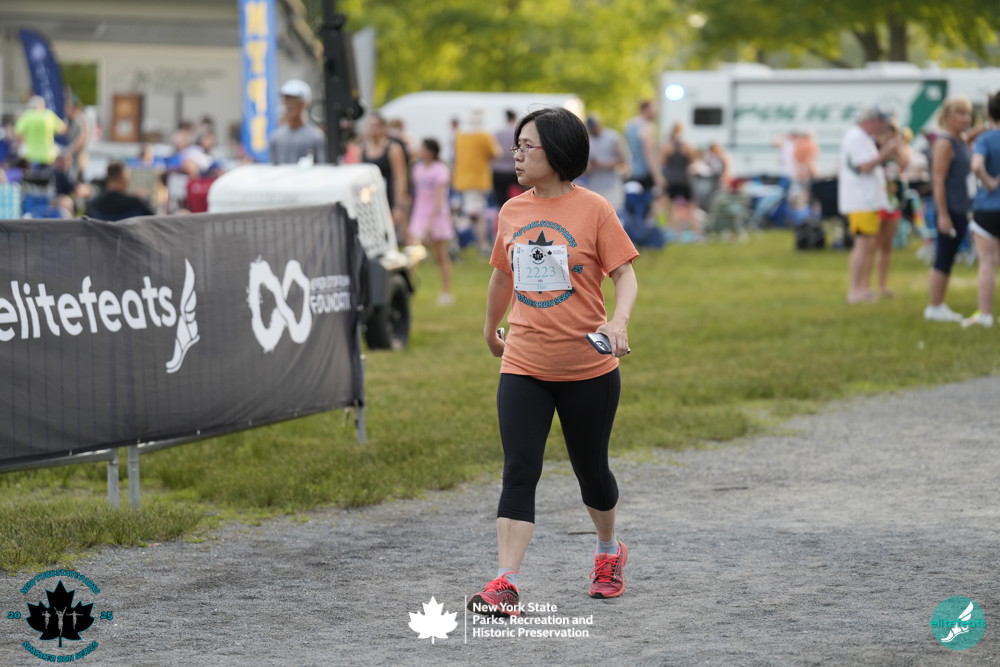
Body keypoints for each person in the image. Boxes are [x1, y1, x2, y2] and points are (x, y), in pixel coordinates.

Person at [471, 107, 639, 617]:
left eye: (528, 146)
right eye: (516, 145)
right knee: (519, 470)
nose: (516, 155)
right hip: (524, 362)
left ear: (559, 152)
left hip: (588, 368)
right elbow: (502, 276)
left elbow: (625, 274)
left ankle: (608, 552)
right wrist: (489, 330)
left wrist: (619, 322)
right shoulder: (511, 211)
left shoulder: (595, 210)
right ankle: (505, 582)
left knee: (592, 471)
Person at [838, 105, 898, 303]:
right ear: (870, 121)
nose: (883, 125)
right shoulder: (856, 138)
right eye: (881, 121)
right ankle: (855, 290)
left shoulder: (863, 138)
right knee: (863, 245)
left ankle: (863, 287)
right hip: (860, 200)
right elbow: (864, 166)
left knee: (869, 245)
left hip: (867, 200)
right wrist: (884, 154)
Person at [924, 96, 974, 321]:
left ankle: (939, 304)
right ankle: (934, 306)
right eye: (960, 114)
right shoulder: (944, 143)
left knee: (950, 255)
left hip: (961, 207)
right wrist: (943, 215)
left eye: (968, 113)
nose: (966, 118)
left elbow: (970, 136)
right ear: (947, 117)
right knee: (944, 256)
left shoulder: (961, 140)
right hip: (950, 208)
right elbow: (938, 180)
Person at [962, 92, 1000, 328]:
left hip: (987, 208)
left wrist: (990, 183)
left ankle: (985, 314)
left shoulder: (986, 139)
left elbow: (976, 166)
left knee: (986, 262)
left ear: (988, 114)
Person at [407, 138, 455, 306]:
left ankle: (446, 291)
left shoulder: (440, 169)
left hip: (437, 215)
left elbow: (440, 197)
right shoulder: (417, 169)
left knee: (440, 255)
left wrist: (430, 222)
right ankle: (408, 290)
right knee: (412, 253)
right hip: (420, 213)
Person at [452, 108, 501, 254]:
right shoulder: (484, 135)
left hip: (461, 179)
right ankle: (481, 245)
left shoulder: (459, 134)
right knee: (476, 215)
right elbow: (496, 153)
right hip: (478, 180)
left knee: (464, 213)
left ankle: (458, 243)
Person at [874, 120, 911, 298]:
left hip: (892, 201)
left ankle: (882, 285)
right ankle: (865, 285)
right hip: (876, 201)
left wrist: (898, 148)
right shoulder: (873, 151)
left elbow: (903, 167)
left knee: (886, 245)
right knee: (872, 244)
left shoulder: (896, 153)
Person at [361, 112, 410, 242]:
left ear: (383, 127)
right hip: (371, 198)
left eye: (376, 126)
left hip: (389, 196)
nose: (373, 129)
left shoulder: (393, 148)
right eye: (371, 126)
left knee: (394, 234)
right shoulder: (363, 149)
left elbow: (400, 178)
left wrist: (398, 205)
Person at [623, 99, 664, 227]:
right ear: (646, 110)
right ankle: (646, 230)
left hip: (631, 171)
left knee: (633, 206)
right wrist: (657, 175)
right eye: (653, 109)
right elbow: (649, 153)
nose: (656, 112)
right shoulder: (647, 127)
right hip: (645, 173)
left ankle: (634, 230)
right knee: (650, 205)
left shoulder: (629, 125)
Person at [268, 79, 326, 165]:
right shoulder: (276, 138)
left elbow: (322, 167)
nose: (289, 105)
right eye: (287, 100)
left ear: (304, 103)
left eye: (294, 100)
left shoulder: (316, 137)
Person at [584, 113, 629, 216]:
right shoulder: (589, 141)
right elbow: (586, 169)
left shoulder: (613, 137)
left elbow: (623, 159)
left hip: (612, 185)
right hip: (595, 185)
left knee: (613, 214)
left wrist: (604, 164)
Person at [85, 161, 154, 222]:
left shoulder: (94, 204)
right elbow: (152, 221)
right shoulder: (137, 203)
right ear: (124, 177)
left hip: (102, 232)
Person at [662, 121, 696, 236]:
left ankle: (675, 233)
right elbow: (692, 160)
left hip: (672, 179)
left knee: (672, 207)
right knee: (691, 206)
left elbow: (663, 163)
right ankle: (695, 232)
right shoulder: (686, 145)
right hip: (684, 179)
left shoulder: (668, 146)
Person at [14, 96, 66, 167]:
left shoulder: (27, 116)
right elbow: (63, 130)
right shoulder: (49, 115)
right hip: (47, 154)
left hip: (30, 155)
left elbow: (18, 133)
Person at [491, 109, 522, 209]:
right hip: (514, 170)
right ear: (514, 118)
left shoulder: (497, 133)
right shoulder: (517, 133)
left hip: (498, 171)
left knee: (500, 200)